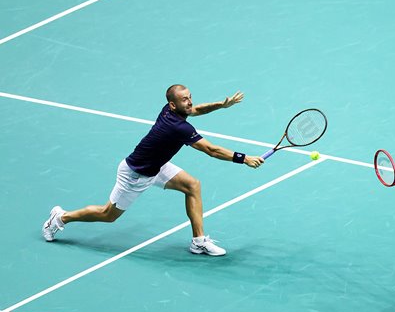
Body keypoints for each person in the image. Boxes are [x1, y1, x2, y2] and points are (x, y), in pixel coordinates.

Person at [42, 85, 264, 256]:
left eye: (189, 97)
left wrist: (220, 105)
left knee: (192, 185)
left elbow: (195, 110)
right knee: (107, 215)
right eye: (184, 99)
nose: (189, 102)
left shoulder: (170, 110)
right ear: (172, 105)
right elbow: (211, 150)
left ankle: (199, 242)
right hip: (135, 175)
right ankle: (60, 218)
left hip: (157, 166)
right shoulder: (179, 127)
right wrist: (244, 159)